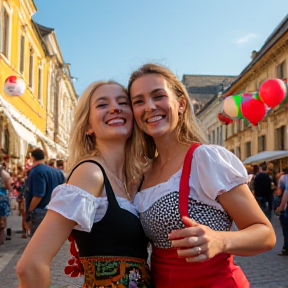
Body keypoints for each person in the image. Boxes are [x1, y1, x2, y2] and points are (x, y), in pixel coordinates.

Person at [127, 63, 276, 288]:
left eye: (158, 96)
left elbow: (265, 234)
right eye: (139, 101)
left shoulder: (205, 159)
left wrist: (221, 240)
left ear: (180, 104)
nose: (149, 107)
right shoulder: (142, 175)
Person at [16, 80, 151, 288]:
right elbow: (31, 265)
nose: (115, 108)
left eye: (123, 103)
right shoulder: (91, 173)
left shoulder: (134, 178)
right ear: (88, 126)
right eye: (102, 105)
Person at [24, 149, 65, 237]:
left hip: (41, 211)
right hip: (56, 210)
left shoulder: (36, 172)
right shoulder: (58, 172)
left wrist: (29, 212)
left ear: (32, 158)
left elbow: (38, 195)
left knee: (38, 241)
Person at [275, 168, 288, 256]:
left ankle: (286, 248)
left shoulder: (283, 178)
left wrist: (280, 207)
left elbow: (281, 193)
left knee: (286, 229)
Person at [0, 164, 12, 244]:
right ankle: (1, 240)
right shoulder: (4, 176)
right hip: (3, 199)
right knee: (2, 221)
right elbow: (9, 187)